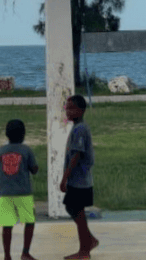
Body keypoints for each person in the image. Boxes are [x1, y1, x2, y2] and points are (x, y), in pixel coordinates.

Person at [0, 119, 39, 260]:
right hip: (24, 193)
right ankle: (25, 252)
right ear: (23, 134)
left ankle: (7, 255)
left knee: (7, 226)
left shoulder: (0, 151)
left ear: (7, 135)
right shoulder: (26, 150)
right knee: (29, 222)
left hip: (4, 193)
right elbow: (34, 169)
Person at [60, 94, 99, 260]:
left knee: (77, 211)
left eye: (71, 108)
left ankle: (85, 250)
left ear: (81, 110)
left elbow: (76, 155)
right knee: (72, 208)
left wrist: (64, 178)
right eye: (66, 108)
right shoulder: (77, 127)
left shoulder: (80, 129)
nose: (67, 111)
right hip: (77, 179)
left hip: (80, 180)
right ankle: (89, 240)